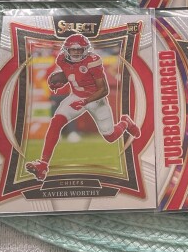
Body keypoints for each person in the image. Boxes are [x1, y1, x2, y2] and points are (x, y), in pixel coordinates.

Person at [25, 33, 140, 181]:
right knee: (56, 122)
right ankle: (43, 164)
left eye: (79, 50)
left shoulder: (93, 61)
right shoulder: (61, 59)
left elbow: (104, 89)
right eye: (73, 50)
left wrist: (85, 101)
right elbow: (72, 73)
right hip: (76, 96)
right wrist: (61, 80)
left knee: (110, 136)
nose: (76, 53)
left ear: (85, 50)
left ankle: (125, 122)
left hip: (96, 99)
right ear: (67, 50)